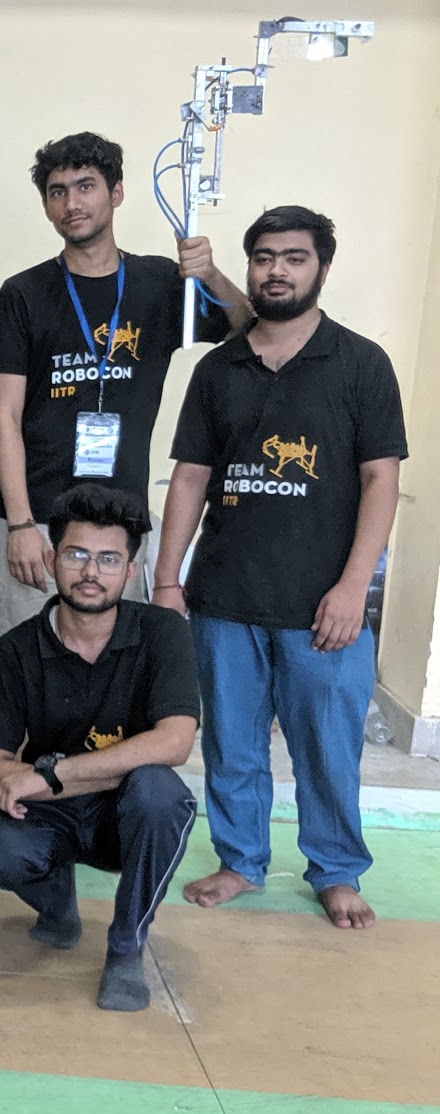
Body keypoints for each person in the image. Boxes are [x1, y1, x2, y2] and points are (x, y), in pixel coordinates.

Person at [155, 206, 405, 931]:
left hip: (324, 607)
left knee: (328, 750)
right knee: (230, 744)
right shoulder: (218, 368)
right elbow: (191, 477)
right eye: (264, 257)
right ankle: (241, 860)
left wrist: (354, 587)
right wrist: (167, 581)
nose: (277, 271)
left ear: (321, 268)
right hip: (224, 598)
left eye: (294, 258)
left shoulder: (361, 364)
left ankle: (337, 871)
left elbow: (381, 480)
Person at [0, 131, 248, 639]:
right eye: (58, 191)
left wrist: (211, 274)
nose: (72, 203)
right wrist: (19, 523)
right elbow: (4, 415)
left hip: (122, 518)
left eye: (86, 186)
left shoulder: (160, 283)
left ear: (117, 192)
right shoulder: (23, 293)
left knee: (113, 661)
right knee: (27, 660)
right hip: (38, 518)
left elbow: (245, 328)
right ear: (46, 206)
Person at [0, 484, 200, 1011]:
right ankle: (57, 908)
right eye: (76, 555)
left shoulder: (163, 632)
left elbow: (175, 741)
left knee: (161, 794)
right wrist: (52, 782)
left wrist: (51, 774)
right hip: (50, 814)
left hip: (123, 815)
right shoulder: (14, 652)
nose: (91, 571)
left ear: (131, 570)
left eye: (108, 559)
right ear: (52, 560)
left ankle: (126, 948)